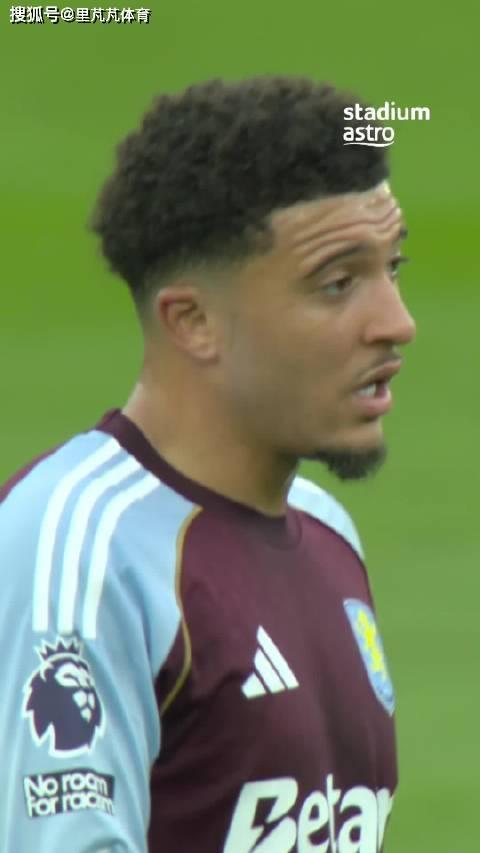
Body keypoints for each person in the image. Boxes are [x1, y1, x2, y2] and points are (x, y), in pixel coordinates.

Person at [0, 76, 416, 852]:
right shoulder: (81, 546)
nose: (397, 322)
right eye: (338, 283)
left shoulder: (327, 531)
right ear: (192, 321)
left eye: (393, 268)